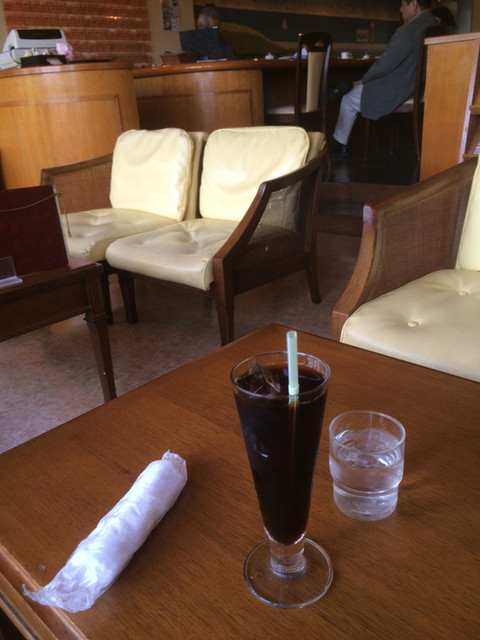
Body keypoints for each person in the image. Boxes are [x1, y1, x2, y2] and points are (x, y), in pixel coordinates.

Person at [332, 0, 438, 156]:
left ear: (414, 4)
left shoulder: (407, 31)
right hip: (419, 87)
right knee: (355, 86)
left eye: (403, 4)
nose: (400, 9)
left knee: (348, 96)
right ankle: (344, 87)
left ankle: (340, 146)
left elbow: (385, 65)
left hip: (399, 89)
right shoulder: (435, 26)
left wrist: (366, 78)